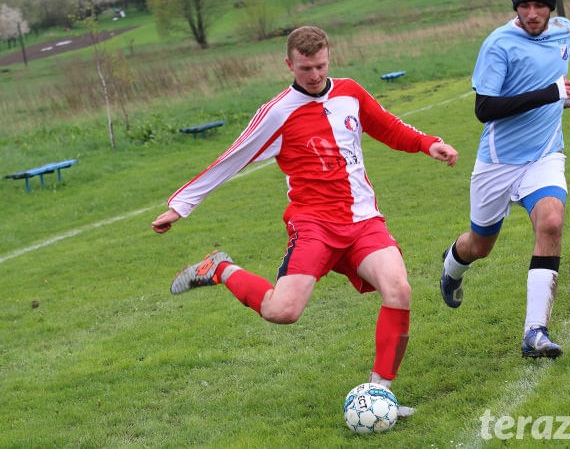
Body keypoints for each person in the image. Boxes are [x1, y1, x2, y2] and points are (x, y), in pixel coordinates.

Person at [152, 26, 458, 414]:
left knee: (399, 289)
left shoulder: (350, 92)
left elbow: (387, 125)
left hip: (363, 221)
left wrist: (428, 143)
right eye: (304, 68)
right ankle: (220, 268)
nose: (313, 75)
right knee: (283, 312)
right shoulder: (277, 113)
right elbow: (232, 158)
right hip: (313, 226)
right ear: (289, 64)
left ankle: (380, 394)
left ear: (329, 57)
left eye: (320, 66)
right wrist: (181, 206)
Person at [439, 0, 570, 359]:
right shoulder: (498, 44)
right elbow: (485, 109)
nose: (532, 13)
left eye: (539, 5)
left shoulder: (564, 31)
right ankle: (452, 270)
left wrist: (561, 97)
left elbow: (554, 76)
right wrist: (548, 93)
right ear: (515, 7)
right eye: (524, 6)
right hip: (498, 163)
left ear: (550, 8)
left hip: (545, 154)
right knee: (480, 246)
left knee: (551, 221)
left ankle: (536, 332)